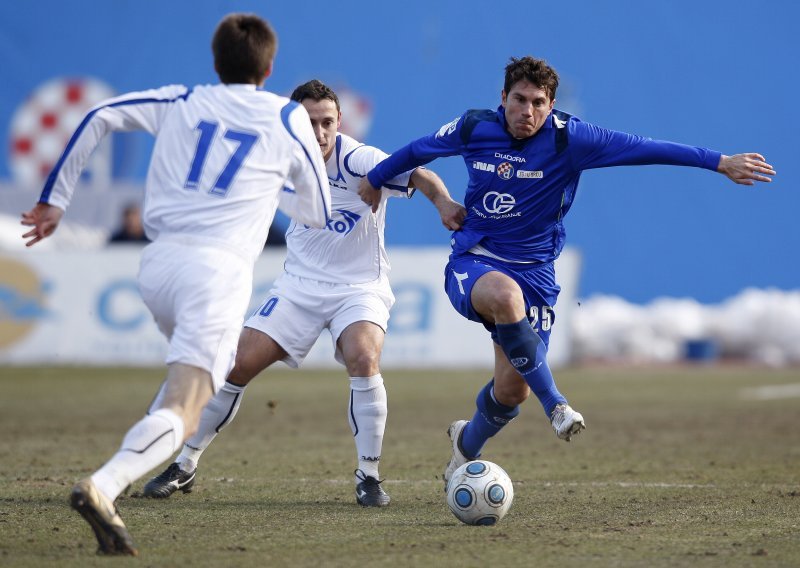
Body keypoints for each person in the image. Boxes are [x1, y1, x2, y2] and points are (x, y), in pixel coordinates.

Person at [358, 56, 775, 490]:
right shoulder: (473, 127)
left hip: (536, 273)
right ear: (502, 99)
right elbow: (417, 150)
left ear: (552, 104)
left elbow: (645, 147)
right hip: (475, 258)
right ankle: (555, 404)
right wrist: (376, 178)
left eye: (538, 102)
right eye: (519, 100)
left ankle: (466, 443)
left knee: (510, 391)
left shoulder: (571, 139)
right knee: (503, 297)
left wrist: (719, 161)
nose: (528, 111)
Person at [21, 14, 331, 556]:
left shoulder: (182, 100)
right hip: (217, 273)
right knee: (189, 405)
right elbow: (318, 211)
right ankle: (105, 485)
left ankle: (123, 479)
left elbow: (98, 115)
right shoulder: (287, 117)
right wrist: (275, 182)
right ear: (270, 67)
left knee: (180, 386)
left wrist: (55, 200)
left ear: (215, 64)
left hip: (157, 266)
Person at [143, 79, 465, 507]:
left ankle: (369, 476)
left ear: (339, 122)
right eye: (310, 123)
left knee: (364, 356)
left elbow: (421, 174)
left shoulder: (359, 159)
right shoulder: (276, 157)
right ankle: (184, 464)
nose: (320, 133)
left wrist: (442, 202)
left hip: (359, 287)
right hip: (299, 285)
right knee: (236, 363)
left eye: (327, 122)